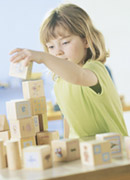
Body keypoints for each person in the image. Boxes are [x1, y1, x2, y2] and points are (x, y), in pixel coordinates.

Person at [9, 3, 128, 140]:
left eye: (65, 42)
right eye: (51, 47)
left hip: (115, 153)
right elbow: (68, 122)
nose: (58, 52)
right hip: (82, 154)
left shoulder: (96, 69)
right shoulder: (60, 84)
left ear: (86, 41)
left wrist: (43, 57)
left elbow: (78, 76)